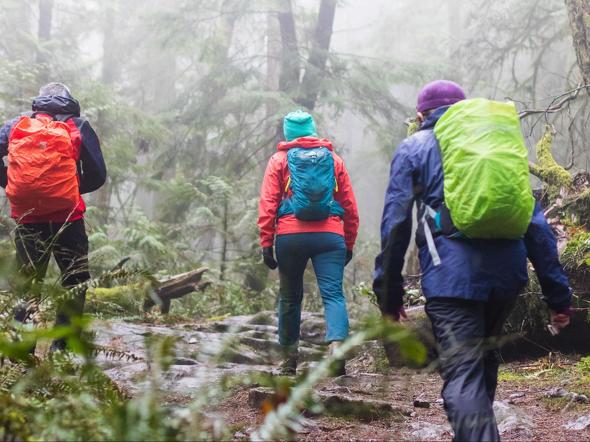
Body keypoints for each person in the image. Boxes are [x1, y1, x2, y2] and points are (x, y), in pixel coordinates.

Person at [373, 80, 572, 441]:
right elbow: (535, 223)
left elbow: (396, 224)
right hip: (507, 276)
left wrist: (389, 295)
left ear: (421, 116)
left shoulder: (414, 147)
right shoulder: (491, 146)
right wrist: (558, 297)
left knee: (463, 375)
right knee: (483, 361)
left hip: (451, 279)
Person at [0, 82, 107, 352]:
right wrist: (67, 188)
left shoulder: (16, 125)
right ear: (69, 100)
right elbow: (98, 174)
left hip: (28, 218)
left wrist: (10, 183)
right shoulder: (78, 126)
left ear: (39, 101)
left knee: (28, 285)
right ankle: (63, 350)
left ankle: (21, 356)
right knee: (75, 281)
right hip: (68, 218)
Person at [258, 110, 359, 375]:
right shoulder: (334, 160)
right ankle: (336, 347)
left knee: (290, 298)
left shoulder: (279, 160)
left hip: (291, 237)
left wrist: (266, 242)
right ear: (312, 130)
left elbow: (268, 203)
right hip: (330, 236)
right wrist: (348, 242)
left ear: (287, 132)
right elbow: (348, 204)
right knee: (333, 294)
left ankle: (289, 359)